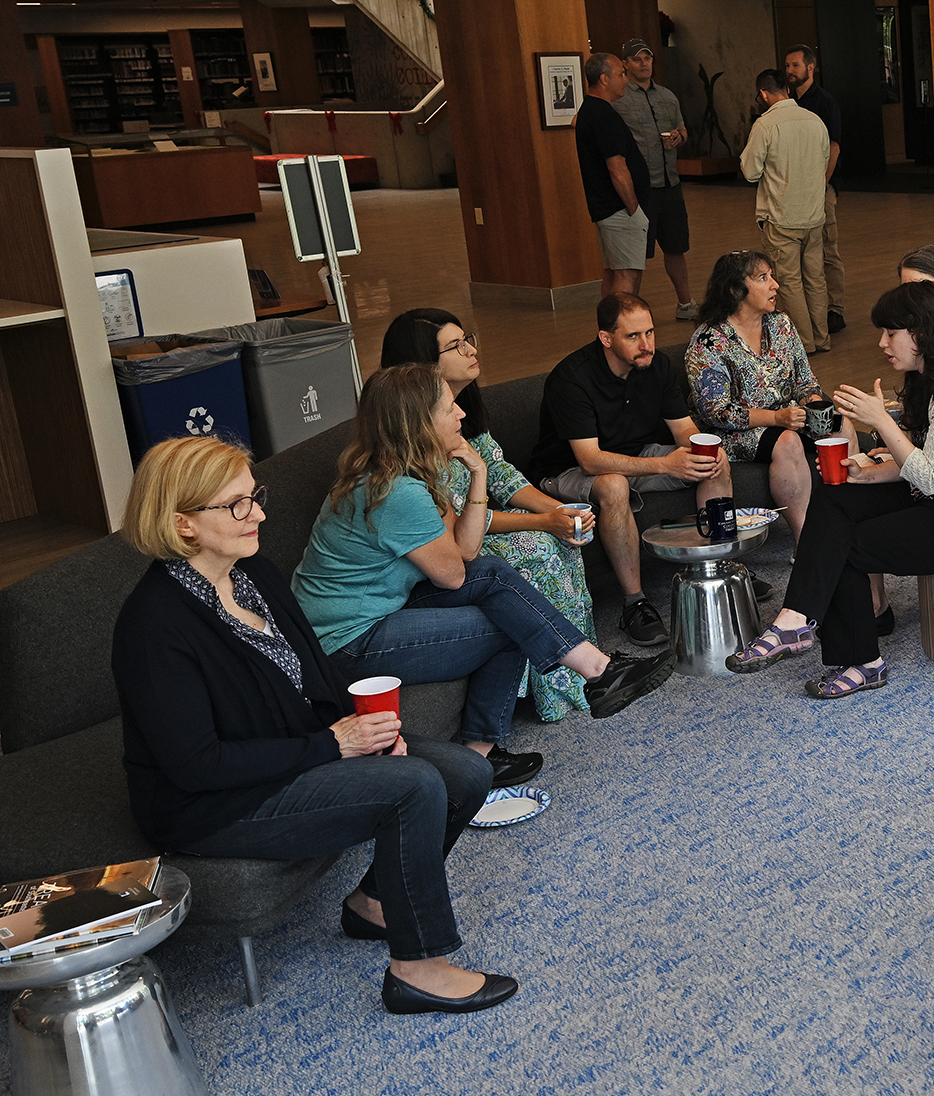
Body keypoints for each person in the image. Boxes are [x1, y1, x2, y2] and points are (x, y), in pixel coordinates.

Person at [112, 436, 515, 1013]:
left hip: (292, 750)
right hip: (212, 804)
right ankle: (419, 969)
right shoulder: (154, 627)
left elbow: (315, 677)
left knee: (465, 772)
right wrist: (333, 744)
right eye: (237, 505)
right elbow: (197, 766)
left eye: (255, 497)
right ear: (183, 526)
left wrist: (371, 733)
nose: (259, 514)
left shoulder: (255, 575)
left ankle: (374, 903)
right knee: (416, 786)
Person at [296, 364, 672, 784]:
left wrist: (478, 475)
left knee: (495, 575)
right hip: (345, 642)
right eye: (448, 408)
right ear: (417, 424)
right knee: (509, 617)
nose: (460, 414)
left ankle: (588, 679)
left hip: (377, 611)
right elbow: (455, 575)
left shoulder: (402, 472)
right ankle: (580, 685)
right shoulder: (396, 493)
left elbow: (467, 550)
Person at [727, 281, 934, 696]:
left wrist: (881, 421)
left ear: (922, 333)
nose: (881, 342)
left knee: (847, 543)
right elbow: (932, 462)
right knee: (835, 496)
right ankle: (796, 619)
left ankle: (857, 659)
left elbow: (929, 474)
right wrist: (874, 470)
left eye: (891, 333)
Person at [379, 307, 599, 723]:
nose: (470, 349)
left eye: (469, 338)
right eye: (455, 345)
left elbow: (500, 474)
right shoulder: (414, 437)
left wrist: (557, 511)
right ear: (424, 365)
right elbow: (457, 522)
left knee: (562, 536)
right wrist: (541, 522)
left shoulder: (462, 410)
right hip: (442, 546)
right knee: (536, 546)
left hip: (474, 527)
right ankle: (552, 684)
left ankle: (574, 675)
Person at [530, 292, 731, 647]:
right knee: (613, 486)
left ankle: (717, 567)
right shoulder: (571, 379)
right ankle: (634, 604)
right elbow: (590, 460)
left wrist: (701, 449)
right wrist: (665, 463)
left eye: (650, 333)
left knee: (716, 461)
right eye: (633, 336)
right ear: (606, 338)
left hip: (635, 455)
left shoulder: (657, 365)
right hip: (566, 471)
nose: (646, 345)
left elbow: (682, 429)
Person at [684, 249, 820, 540]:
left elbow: (806, 383)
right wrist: (776, 418)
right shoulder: (710, 341)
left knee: (840, 425)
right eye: (762, 278)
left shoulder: (781, 325)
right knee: (787, 442)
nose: (775, 285)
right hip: (734, 431)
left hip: (787, 417)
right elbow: (716, 412)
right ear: (735, 290)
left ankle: (849, 523)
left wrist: (816, 404)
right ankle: (805, 541)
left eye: (772, 276)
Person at [740, 67, 831, 354]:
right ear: (788, 90)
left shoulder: (766, 125)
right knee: (816, 279)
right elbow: (826, 160)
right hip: (815, 215)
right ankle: (822, 338)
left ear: (764, 94)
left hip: (782, 217)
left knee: (789, 283)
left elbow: (750, 171)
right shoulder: (815, 121)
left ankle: (805, 344)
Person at [612, 38, 694, 320]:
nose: (644, 63)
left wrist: (679, 136)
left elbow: (682, 128)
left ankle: (686, 304)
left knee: (676, 247)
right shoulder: (620, 98)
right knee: (635, 257)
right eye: (637, 59)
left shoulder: (668, 96)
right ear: (625, 64)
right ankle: (628, 314)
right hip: (640, 189)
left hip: (670, 183)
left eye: (647, 58)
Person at [575, 51, 653, 302]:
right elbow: (617, 168)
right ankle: (622, 332)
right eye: (621, 73)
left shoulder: (590, 111)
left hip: (607, 208)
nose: (626, 79)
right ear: (604, 79)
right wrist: (633, 208)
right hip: (619, 209)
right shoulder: (603, 116)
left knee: (613, 273)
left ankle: (609, 330)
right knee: (627, 274)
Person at [784, 43, 846, 337]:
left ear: (810, 67)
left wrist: (821, 185)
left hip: (820, 188)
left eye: (795, 65)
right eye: (787, 66)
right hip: (796, 190)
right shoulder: (787, 103)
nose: (790, 71)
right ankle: (809, 311)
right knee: (805, 253)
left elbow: (833, 147)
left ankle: (835, 309)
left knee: (827, 249)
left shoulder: (824, 102)